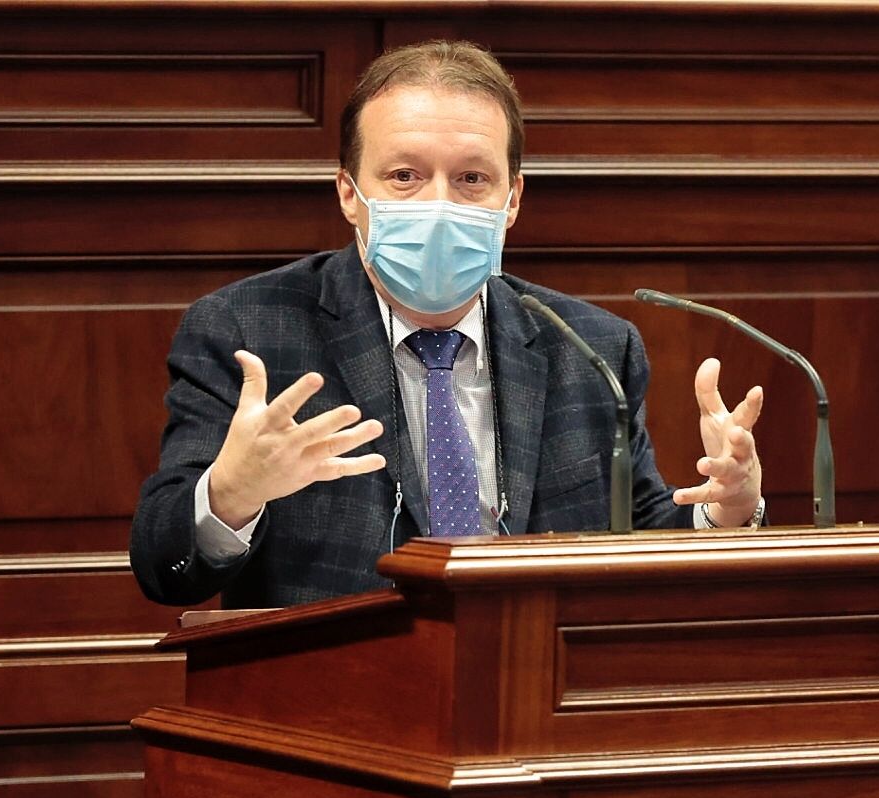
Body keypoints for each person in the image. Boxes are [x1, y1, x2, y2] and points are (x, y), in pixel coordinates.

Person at [130, 40, 765, 609]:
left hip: (537, 697)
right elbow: (165, 571)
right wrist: (230, 496)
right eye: (404, 176)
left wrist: (727, 511)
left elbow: (639, 541)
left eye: (471, 179)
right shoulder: (248, 332)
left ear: (512, 199)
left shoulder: (593, 347)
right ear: (350, 193)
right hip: (332, 706)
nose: (438, 203)